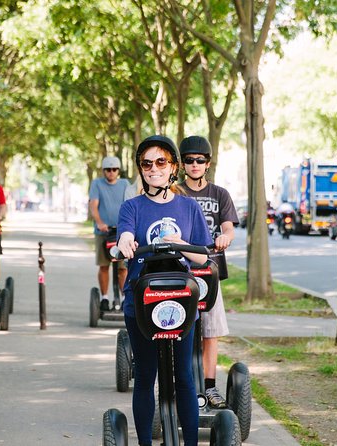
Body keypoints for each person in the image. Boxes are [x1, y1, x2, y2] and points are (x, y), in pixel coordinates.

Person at [117, 135, 212, 446]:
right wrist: (125, 243)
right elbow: (125, 236)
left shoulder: (188, 207)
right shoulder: (131, 206)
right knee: (145, 375)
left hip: (181, 301)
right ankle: (145, 441)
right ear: (140, 169)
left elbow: (201, 255)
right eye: (147, 163)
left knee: (184, 376)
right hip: (141, 301)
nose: (153, 168)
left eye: (161, 162)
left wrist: (178, 243)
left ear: (173, 167)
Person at [177, 135, 238, 409]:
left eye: (199, 160)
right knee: (179, 329)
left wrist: (225, 237)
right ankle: (182, 386)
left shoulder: (219, 194)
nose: (194, 165)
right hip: (181, 272)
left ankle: (210, 388)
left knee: (209, 333)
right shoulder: (176, 193)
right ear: (181, 164)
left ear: (208, 163)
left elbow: (228, 227)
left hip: (210, 273)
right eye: (189, 160)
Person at [88, 156, 130, 310]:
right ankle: (105, 298)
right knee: (104, 265)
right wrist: (100, 222)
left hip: (122, 233)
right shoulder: (97, 184)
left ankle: (124, 298)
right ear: (103, 171)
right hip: (103, 233)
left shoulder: (125, 184)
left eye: (114, 170)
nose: (111, 173)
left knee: (122, 267)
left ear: (118, 171)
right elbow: (93, 204)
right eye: (108, 170)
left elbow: (130, 203)